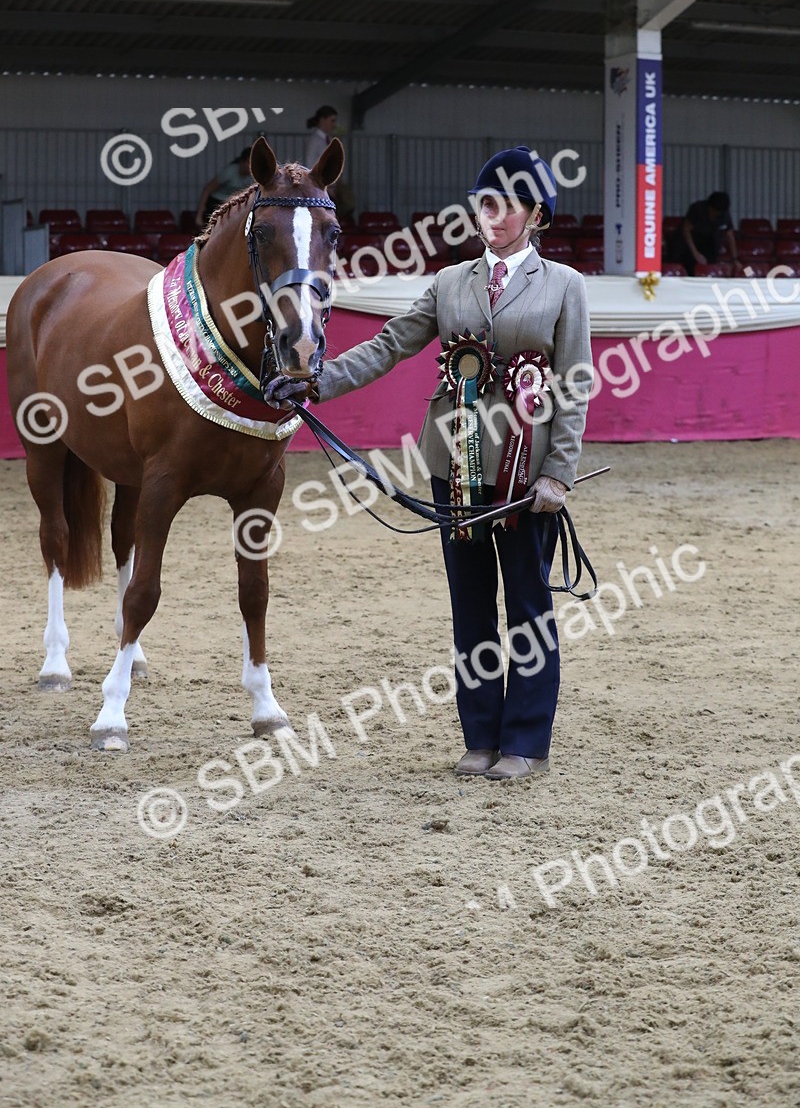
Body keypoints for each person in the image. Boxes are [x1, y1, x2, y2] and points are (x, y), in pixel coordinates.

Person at [266, 146, 592, 780]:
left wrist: (560, 470)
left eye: (508, 205)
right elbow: (390, 346)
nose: (492, 215)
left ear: (535, 215)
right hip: (457, 466)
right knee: (469, 603)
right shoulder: (449, 283)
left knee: (527, 604)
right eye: (485, 203)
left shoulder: (564, 287)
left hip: (527, 473)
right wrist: (316, 381)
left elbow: (575, 383)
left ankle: (524, 741)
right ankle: (479, 736)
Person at [667, 191, 741, 275]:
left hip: (707, 242)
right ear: (709, 207)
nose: (716, 215)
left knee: (709, 261)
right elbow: (686, 230)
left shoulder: (724, 215)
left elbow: (730, 236)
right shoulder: (697, 209)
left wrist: (734, 259)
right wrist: (696, 254)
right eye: (715, 212)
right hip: (687, 242)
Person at [195, 146, 252, 228]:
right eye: (248, 162)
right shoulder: (229, 172)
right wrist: (199, 215)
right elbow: (207, 189)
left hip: (232, 205)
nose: (250, 166)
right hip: (216, 203)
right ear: (241, 162)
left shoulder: (253, 177)